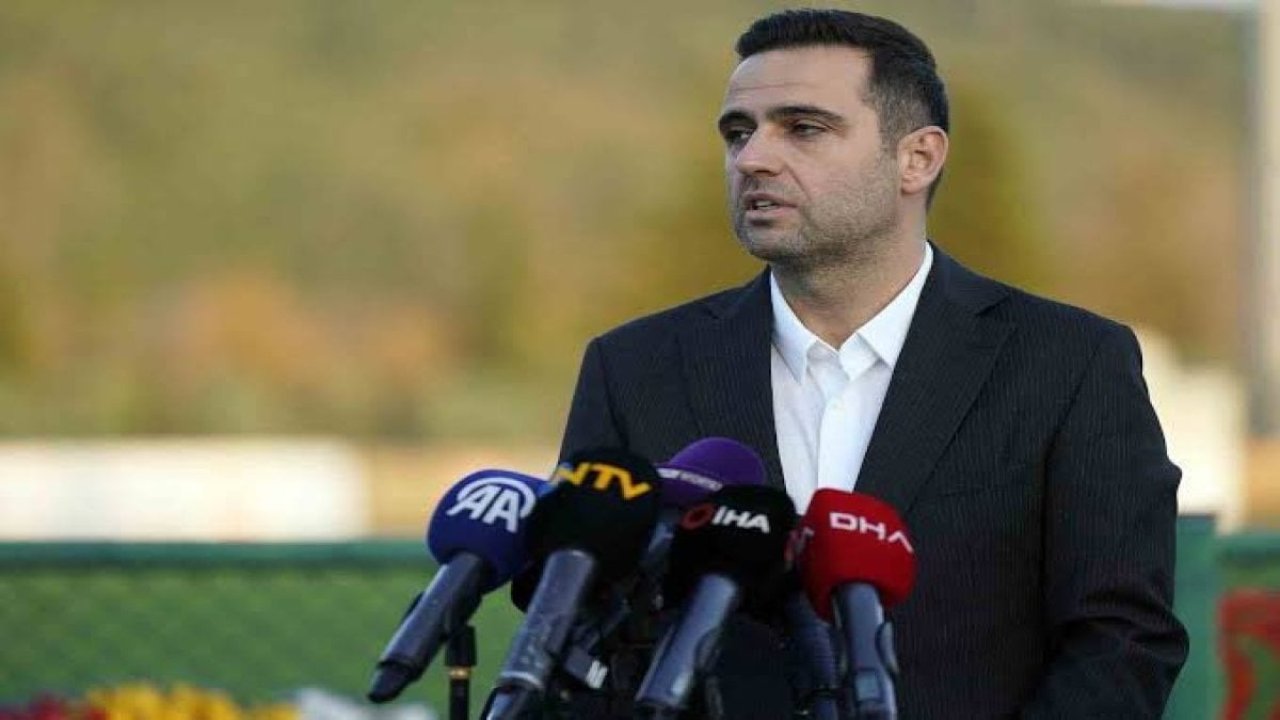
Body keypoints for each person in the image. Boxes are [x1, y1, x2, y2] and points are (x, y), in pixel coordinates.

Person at [558, 8, 1188, 719]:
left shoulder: (1067, 363)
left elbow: (1120, 641)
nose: (753, 158)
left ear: (917, 158)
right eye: (738, 132)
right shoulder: (634, 368)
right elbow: (581, 639)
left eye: (803, 128)